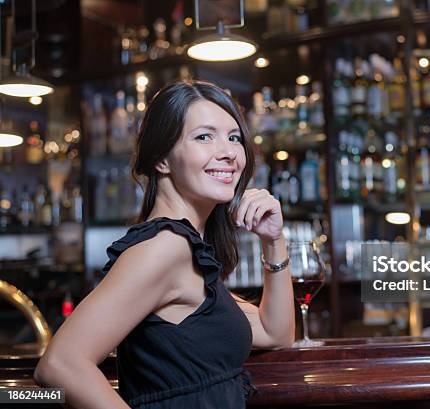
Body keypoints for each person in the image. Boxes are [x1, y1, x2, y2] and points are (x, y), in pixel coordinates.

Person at [34, 80, 295, 408]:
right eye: (204, 136)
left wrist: (273, 240)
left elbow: (276, 333)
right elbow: (60, 364)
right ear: (162, 159)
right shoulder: (166, 248)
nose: (229, 152)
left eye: (234, 138)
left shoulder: (187, 249)